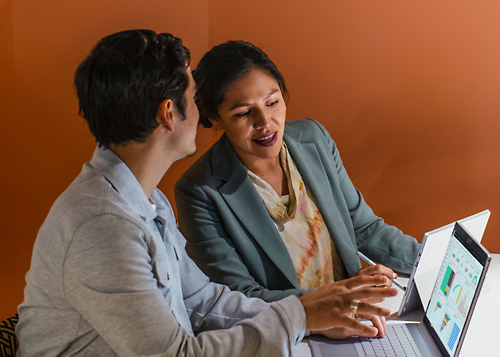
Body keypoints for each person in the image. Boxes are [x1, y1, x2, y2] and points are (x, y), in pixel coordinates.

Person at [16, 29, 396, 356]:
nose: (202, 112)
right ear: (169, 113)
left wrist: (313, 313)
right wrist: (301, 315)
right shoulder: (103, 228)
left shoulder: (145, 199)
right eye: (194, 95)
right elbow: (178, 353)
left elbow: (204, 302)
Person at [174, 40, 421, 302]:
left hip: (353, 314)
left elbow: (363, 228)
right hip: (290, 333)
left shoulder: (314, 139)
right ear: (215, 119)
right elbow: (239, 298)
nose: (265, 123)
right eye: (245, 113)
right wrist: (337, 299)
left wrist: (432, 264)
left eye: (272, 102)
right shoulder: (199, 191)